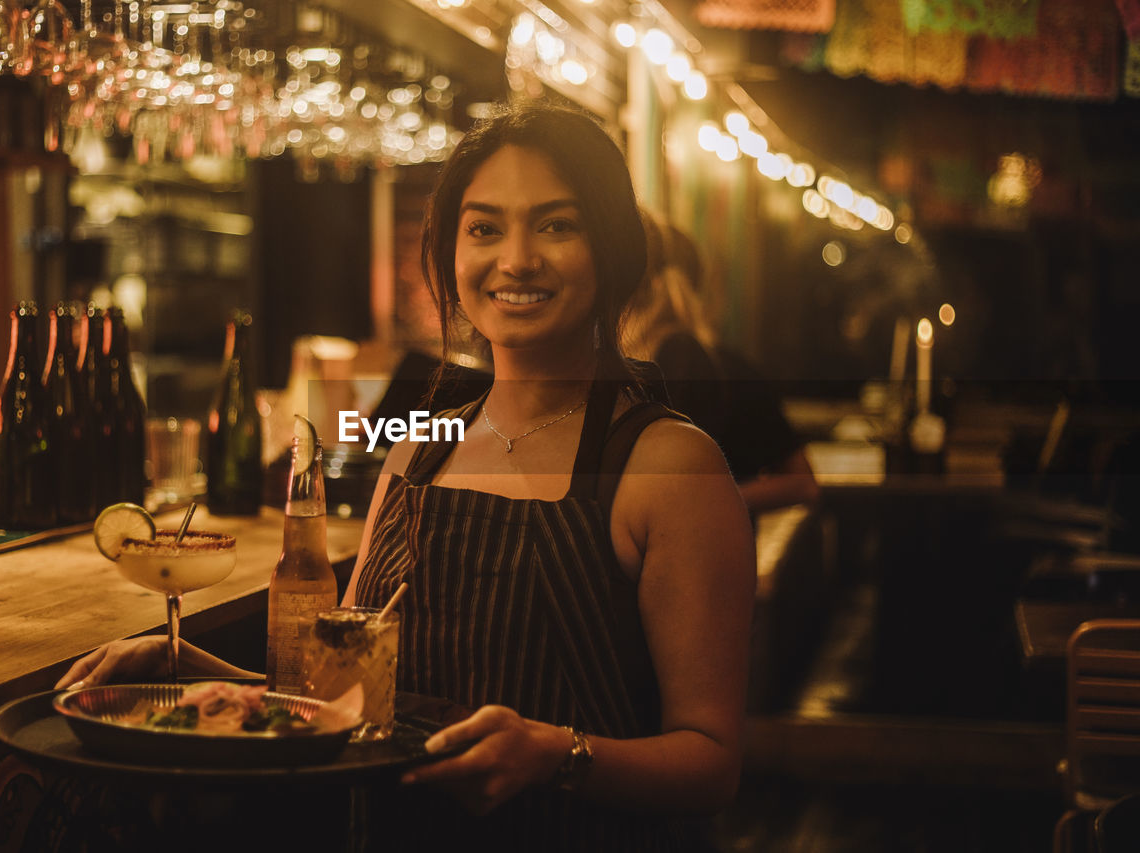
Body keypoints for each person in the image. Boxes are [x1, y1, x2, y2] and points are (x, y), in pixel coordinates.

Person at [57, 101, 756, 851]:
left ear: (613, 248)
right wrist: (185, 666)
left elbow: (710, 761)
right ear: (452, 257)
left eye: (557, 224)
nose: (516, 259)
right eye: (484, 228)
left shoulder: (667, 464)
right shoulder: (417, 452)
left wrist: (557, 754)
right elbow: (341, 707)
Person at [626, 213, 819, 515]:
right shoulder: (728, 365)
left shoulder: (670, 364)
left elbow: (802, 483)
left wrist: (708, 505)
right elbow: (803, 482)